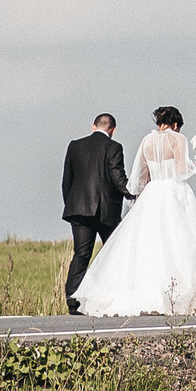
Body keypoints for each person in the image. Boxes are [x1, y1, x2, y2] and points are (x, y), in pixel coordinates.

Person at [75, 105, 196, 316]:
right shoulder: (177, 139)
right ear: (175, 124)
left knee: (150, 245)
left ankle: (148, 295)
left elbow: (141, 177)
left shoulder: (146, 141)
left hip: (153, 194)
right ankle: (180, 295)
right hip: (173, 191)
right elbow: (182, 171)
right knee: (180, 241)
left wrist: (138, 199)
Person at [60, 112, 131, 315]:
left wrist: (72, 205)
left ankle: (72, 298)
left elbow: (67, 180)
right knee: (113, 252)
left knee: (81, 253)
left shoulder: (74, 145)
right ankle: (110, 296)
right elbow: (117, 176)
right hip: (105, 211)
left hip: (78, 209)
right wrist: (132, 193)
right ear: (113, 130)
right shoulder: (114, 147)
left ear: (93, 126)